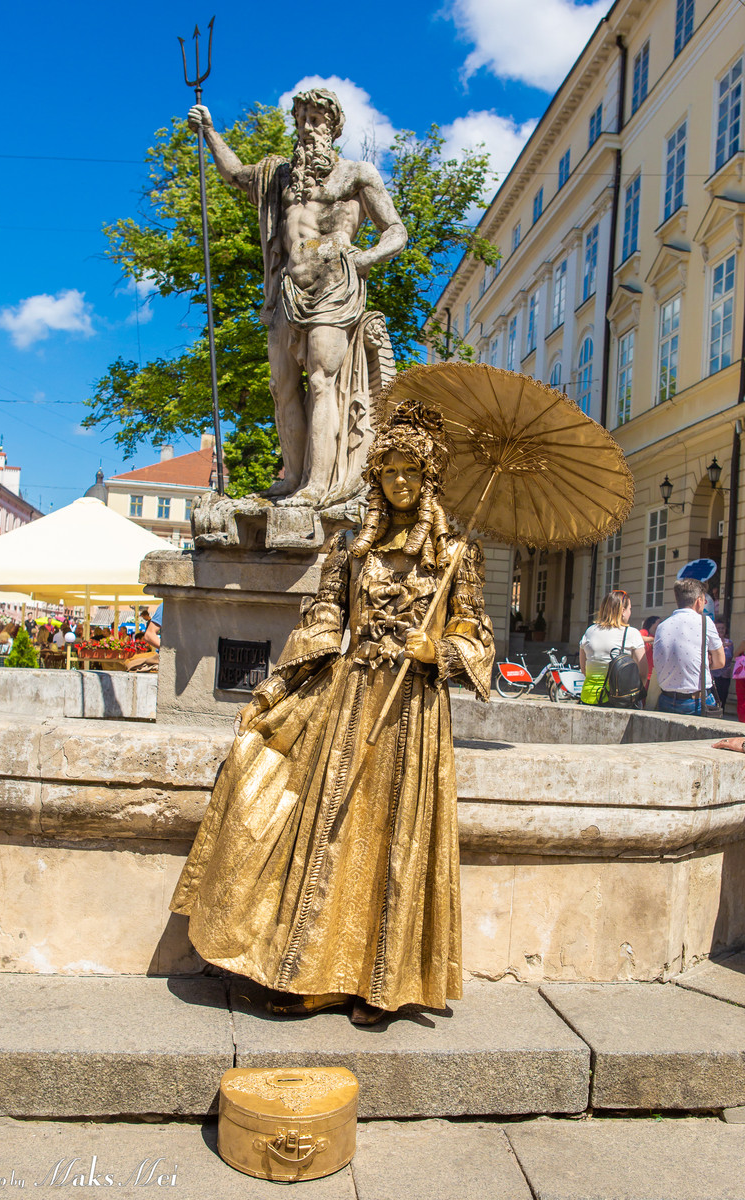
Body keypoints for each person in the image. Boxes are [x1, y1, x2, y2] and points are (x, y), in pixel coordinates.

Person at [170, 401, 495, 1025]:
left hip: (415, 710)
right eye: (389, 471)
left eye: (410, 472)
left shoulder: (458, 554)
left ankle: (381, 984)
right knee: (327, 830)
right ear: (377, 477)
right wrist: (280, 683)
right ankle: (311, 973)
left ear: (429, 478)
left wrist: (440, 649)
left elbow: (477, 636)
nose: (399, 482)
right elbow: (323, 619)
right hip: (348, 703)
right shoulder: (351, 546)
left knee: (396, 839)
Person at [189, 88, 407, 507]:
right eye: (302, 118)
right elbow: (235, 175)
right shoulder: (281, 176)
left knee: (322, 382)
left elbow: (396, 231)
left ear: (334, 126)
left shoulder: (357, 174)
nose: (308, 127)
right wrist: (211, 133)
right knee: (280, 386)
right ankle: (292, 478)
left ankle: (316, 486)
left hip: (334, 287)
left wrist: (366, 258)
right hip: (287, 289)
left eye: (317, 119)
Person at [652, 578, 724, 716]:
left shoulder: (662, 626)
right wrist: (704, 661)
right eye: (704, 599)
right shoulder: (704, 621)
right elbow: (720, 661)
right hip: (695, 701)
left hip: (665, 699)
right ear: (698, 601)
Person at [578, 590, 647, 705]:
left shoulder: (590, 631)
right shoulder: (631, 634)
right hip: (619, 699)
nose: (630, 612)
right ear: (623, 611)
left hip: (589, 697)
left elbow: (584, 669)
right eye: (630, 609)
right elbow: (643, 673)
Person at [712, 619, 734, 708]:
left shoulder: (730, 642)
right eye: (718, 628)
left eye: (722, 628)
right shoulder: (712, 642)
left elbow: (731, 656)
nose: (721, 630)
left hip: (725, 674)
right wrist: (721, 646)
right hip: (714, 674)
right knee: (715, 697)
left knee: (723, 696)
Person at [639, 615, 661, 683]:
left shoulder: (658, 636)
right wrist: (653, 639)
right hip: (643, 672)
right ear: (652, 623)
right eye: (659, 622)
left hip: (653, 673)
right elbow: (639, 638)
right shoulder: (644, 632)